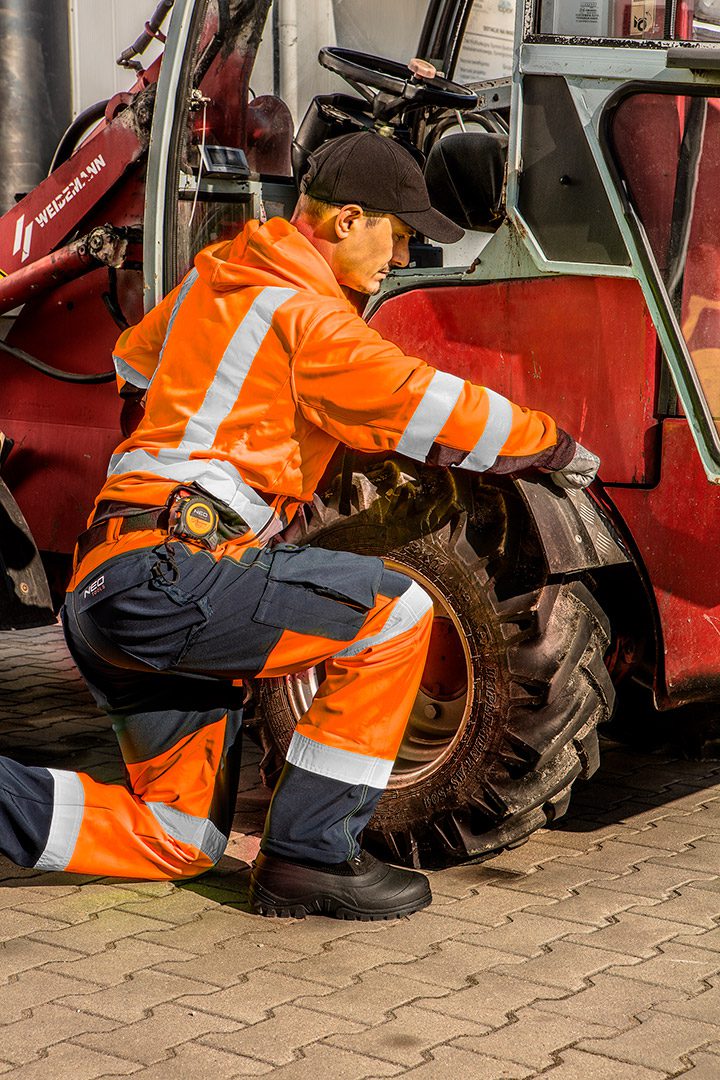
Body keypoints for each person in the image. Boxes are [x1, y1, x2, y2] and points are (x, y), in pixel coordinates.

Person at [0, 131, 599, 920]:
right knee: (395, 613)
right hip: (172, 574)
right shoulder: (309, 318)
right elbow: (427, 405)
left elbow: (134, 363)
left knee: (177, 838)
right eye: (399, 234)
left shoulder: (215, 275)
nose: (403, 256)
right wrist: (555, 445)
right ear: (347, 220)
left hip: (112, 581)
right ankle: (310, 857)